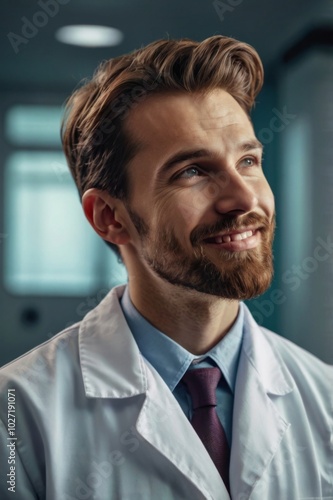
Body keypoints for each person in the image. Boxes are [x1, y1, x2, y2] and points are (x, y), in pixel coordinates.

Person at [0, 35, 332, 500]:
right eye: (192, 171)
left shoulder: (326, 399)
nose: (244, 199)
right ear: (110, 218)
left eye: (249, 161)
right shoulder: (15, 413)